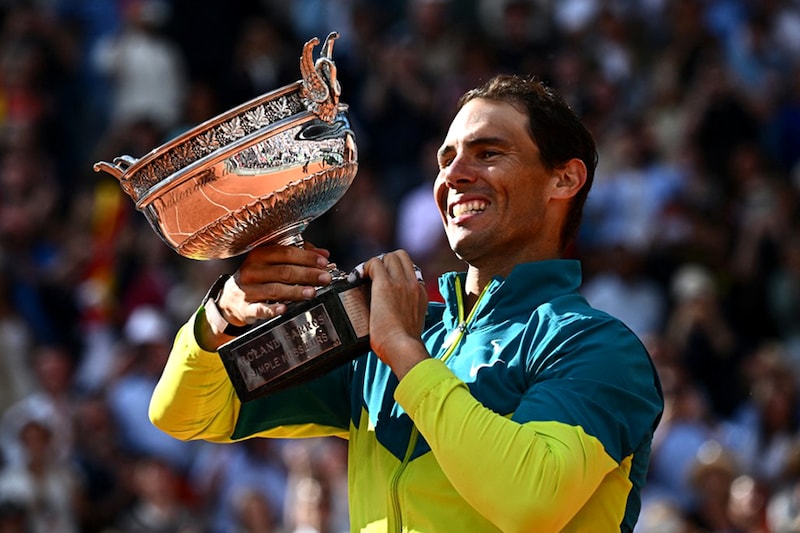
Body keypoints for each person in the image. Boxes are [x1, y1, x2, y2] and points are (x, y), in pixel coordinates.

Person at [149, 74, 664, 532]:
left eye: (489, 153)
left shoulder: (597, 347)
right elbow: (187, 414)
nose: (455, 175)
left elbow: (528, 500)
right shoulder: (381, 340)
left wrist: (402, 350)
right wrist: (223, 314)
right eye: (447, 158)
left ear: (564, 179)